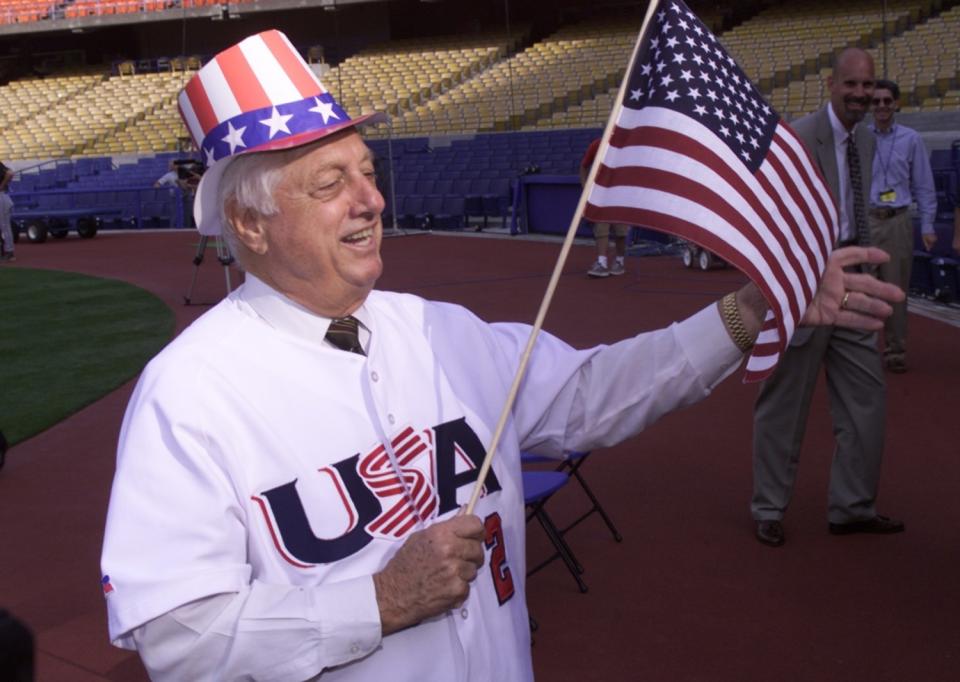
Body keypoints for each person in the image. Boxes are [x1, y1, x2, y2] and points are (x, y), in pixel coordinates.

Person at [100, 32, 902, 680]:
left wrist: (753, 306)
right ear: (249, 224)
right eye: (330, 182)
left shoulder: (439, 330)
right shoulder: (191, 392)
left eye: (369, 173)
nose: (371, 200)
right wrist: (375, 601)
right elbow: (178, 638)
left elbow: (597, 393)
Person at [751, 47, 904, 548]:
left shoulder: (863, 138)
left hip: (851, 280)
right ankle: (769, 507)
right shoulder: (796, 138)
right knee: (785, 402)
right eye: (852, 85)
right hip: (807, 285)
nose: (861, 94)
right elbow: (771, 217)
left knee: (867, 400)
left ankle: (852, 506)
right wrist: (793, 282)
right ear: (831, 85)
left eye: (868, 85)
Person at [868, 79, 937, 373]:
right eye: (877, 101)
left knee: (896, 291)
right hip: (866, 221)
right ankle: (863, 351)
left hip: (897, 221)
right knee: (863, 291)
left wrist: (928, 225)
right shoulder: (859, 137)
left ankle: (896, 350)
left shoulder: (911, 139)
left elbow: (924, 185)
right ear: (871, 105)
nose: (882, 106)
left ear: (896, 104)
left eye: (887, 100)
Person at [581, 138, 629, 277]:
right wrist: (586, 188)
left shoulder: (626, 144)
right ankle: (602, 262)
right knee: (601, 228)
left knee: (621, 231)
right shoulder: (597, 144)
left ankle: (619, 261)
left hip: (620, 193)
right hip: (601, 193)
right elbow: (584, 165)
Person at [0, 161, 14, 262]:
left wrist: (2, 186)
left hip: (1, 197)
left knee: (5, 226)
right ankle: (4, 250)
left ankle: (10, 252)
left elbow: (10, 173)